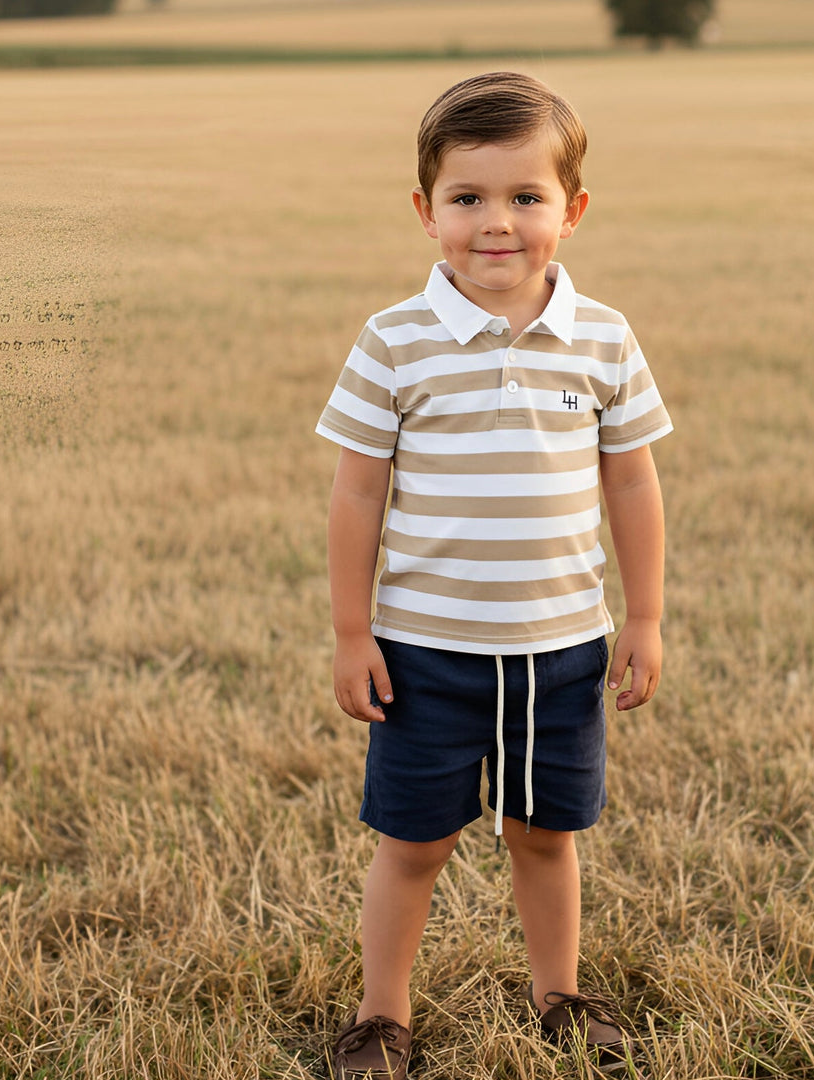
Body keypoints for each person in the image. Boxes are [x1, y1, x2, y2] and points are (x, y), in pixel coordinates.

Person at [316, 71, 672, 1079]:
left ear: (574, 211)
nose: (497, 223)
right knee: (413, 846)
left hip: (562, 654)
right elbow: (355, 499)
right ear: (426, 211)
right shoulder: (394, 342)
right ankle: (383, 1016)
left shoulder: (604, 338)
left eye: (527, 196)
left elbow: (632, 485)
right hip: (425, 657)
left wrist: (642, 619)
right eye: (468, 199)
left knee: (544, 836)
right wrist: (353, 635)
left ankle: (558, 995)